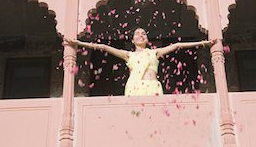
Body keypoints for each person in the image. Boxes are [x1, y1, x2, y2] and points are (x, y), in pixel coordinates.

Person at [65, 28, 215, 96]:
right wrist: (78, 43)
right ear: (132, 40)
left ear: (147, 39)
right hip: (134, 88)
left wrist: (204, 43)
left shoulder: (154, 53)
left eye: (143, 33)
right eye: (137, 34)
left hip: (153, 87)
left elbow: (177, 46)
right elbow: (103, 47)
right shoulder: (128, 55)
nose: (140, 35)